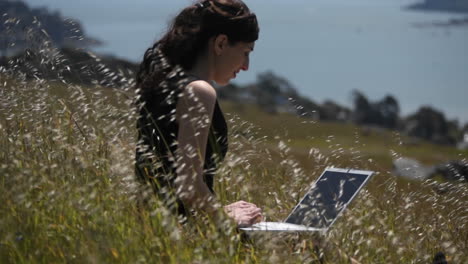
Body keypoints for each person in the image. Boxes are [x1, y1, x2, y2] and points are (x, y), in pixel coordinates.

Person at [134, 0, 263, 227]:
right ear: (221, 43)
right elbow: (188, 184)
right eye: (245, 52)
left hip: (154, 227)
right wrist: (224, 219)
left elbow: (166, 182)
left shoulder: (165, 83)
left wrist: (218, 209)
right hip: (183, 235)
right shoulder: (200, 91)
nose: (246, 66)